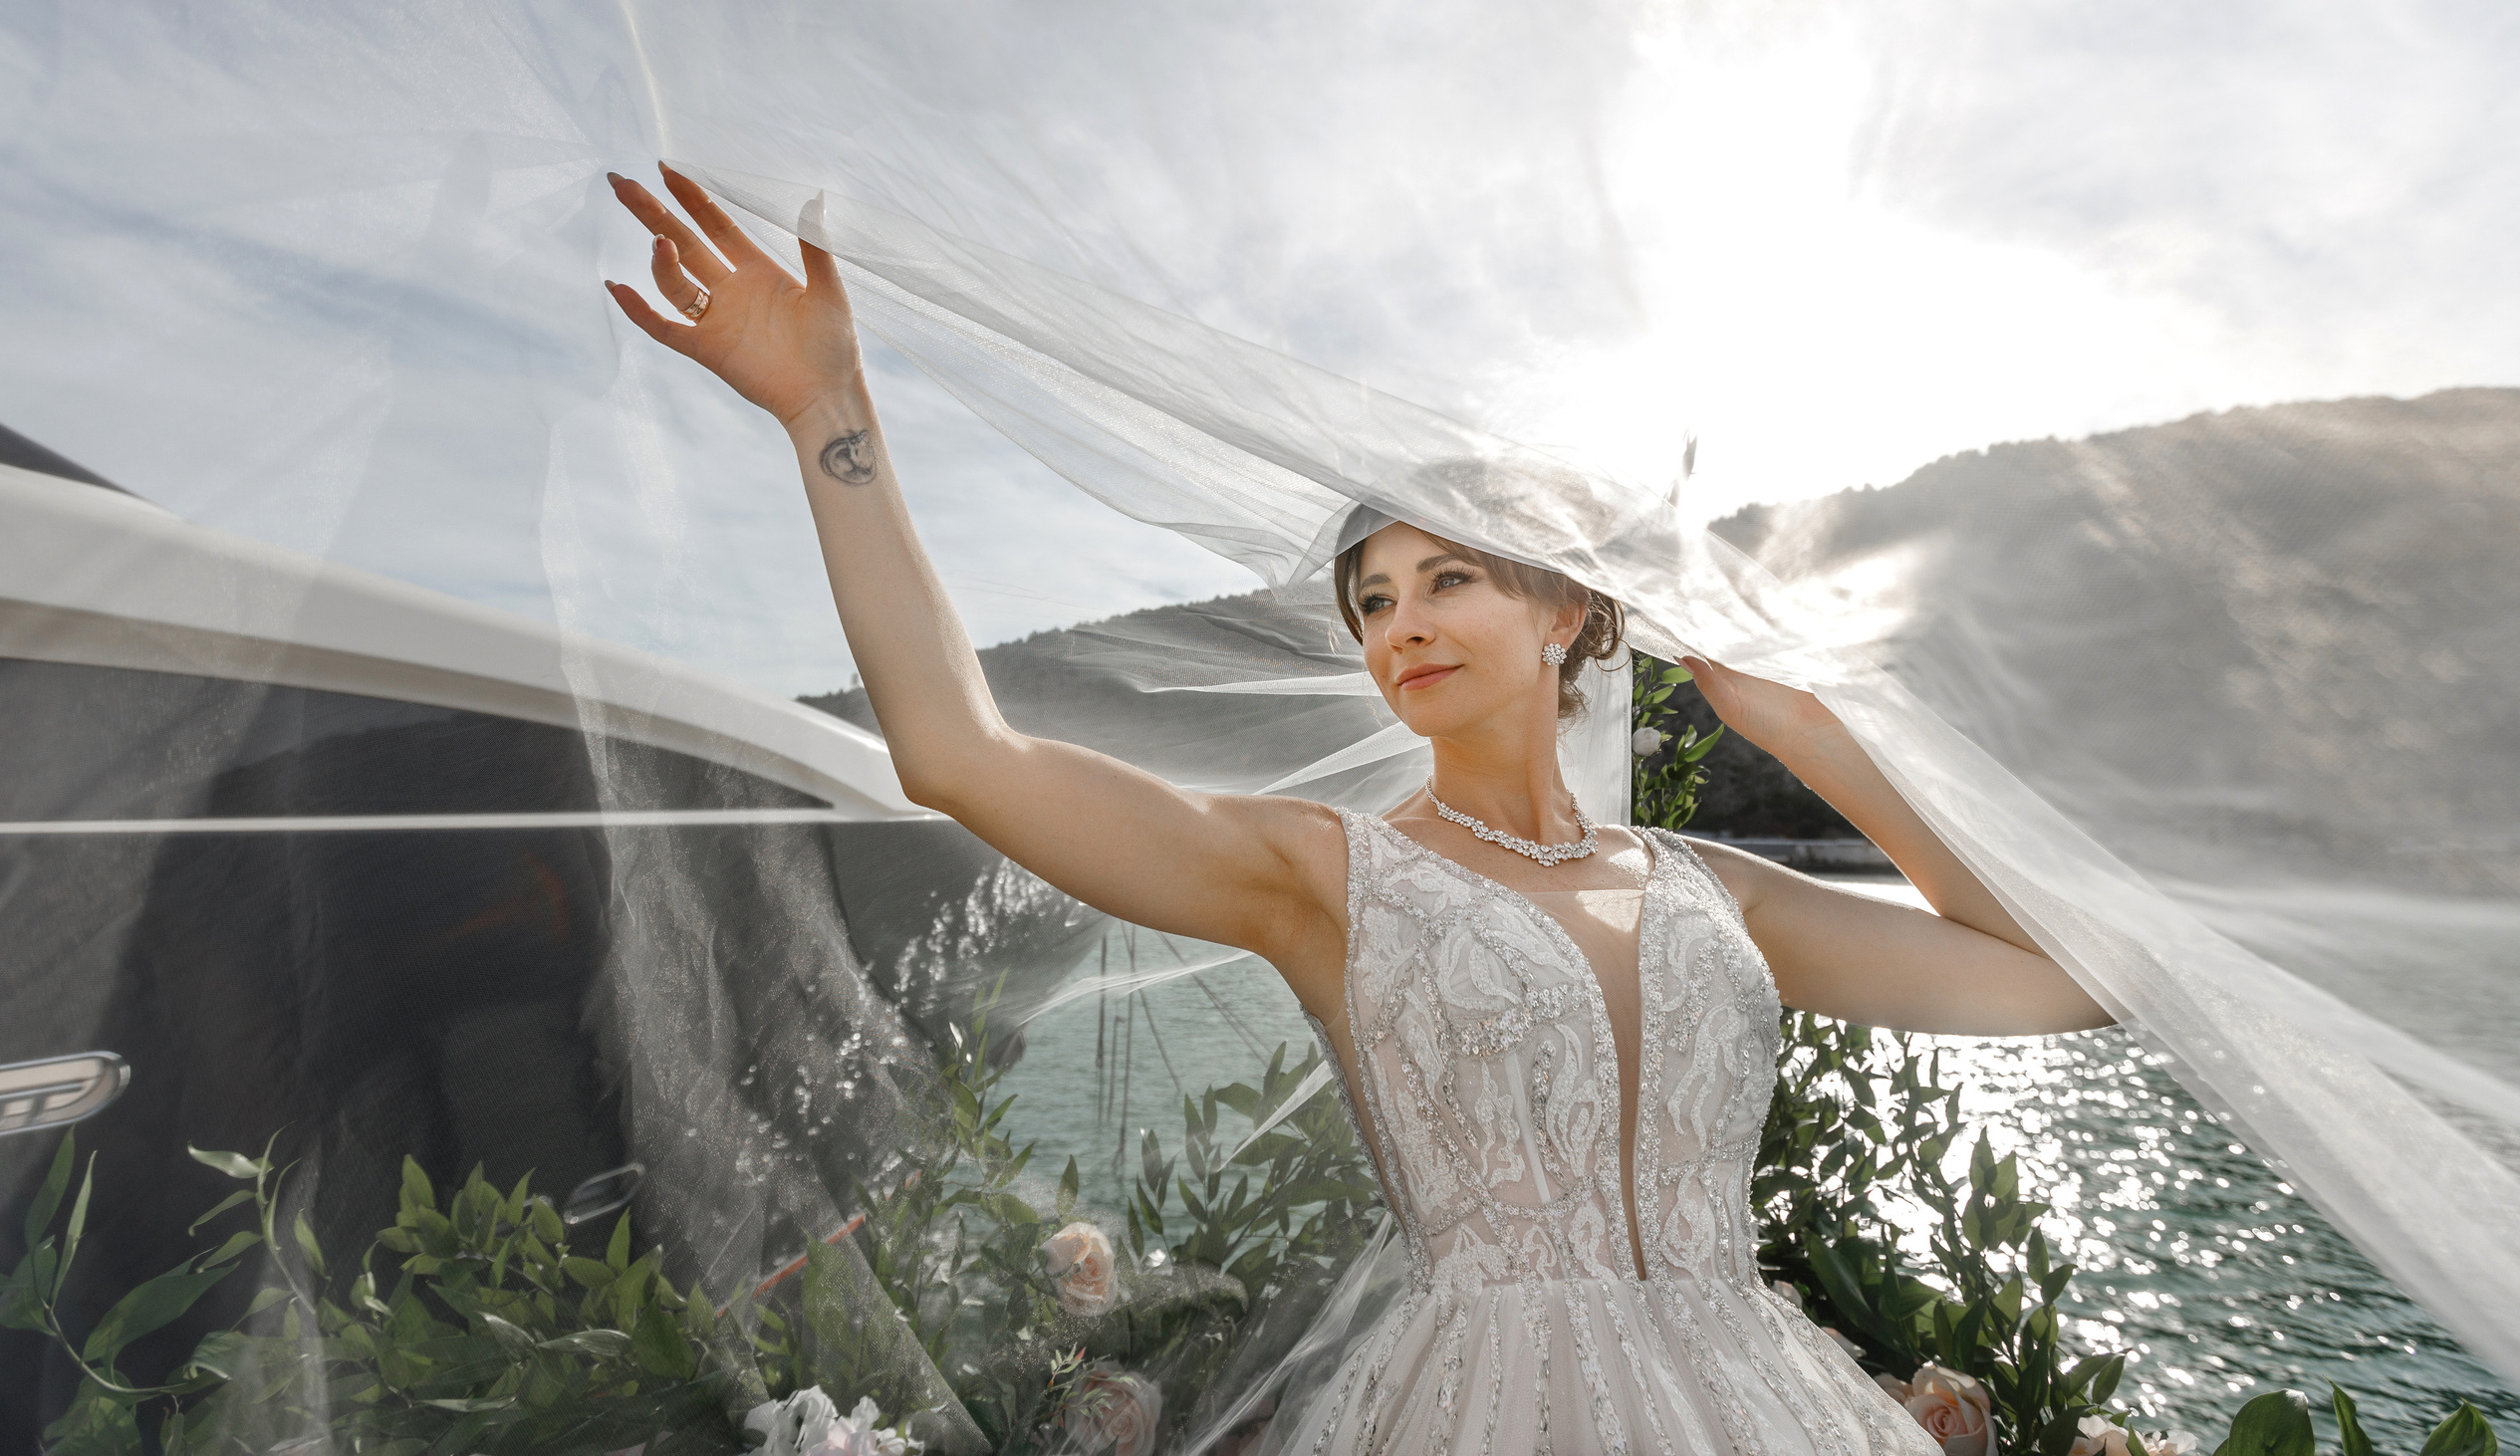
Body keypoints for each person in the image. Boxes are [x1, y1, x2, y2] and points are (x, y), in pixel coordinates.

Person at [606, 164, 2111, 1455]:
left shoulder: (1717, 887)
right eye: (1374, 602)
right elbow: (960, 754)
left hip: (1760, 1404)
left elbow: (2064, 982)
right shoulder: (1331, 875)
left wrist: (1809, 733)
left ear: (1568, 613)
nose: (1403, 627)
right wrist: (829, 414)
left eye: (1448, 578)